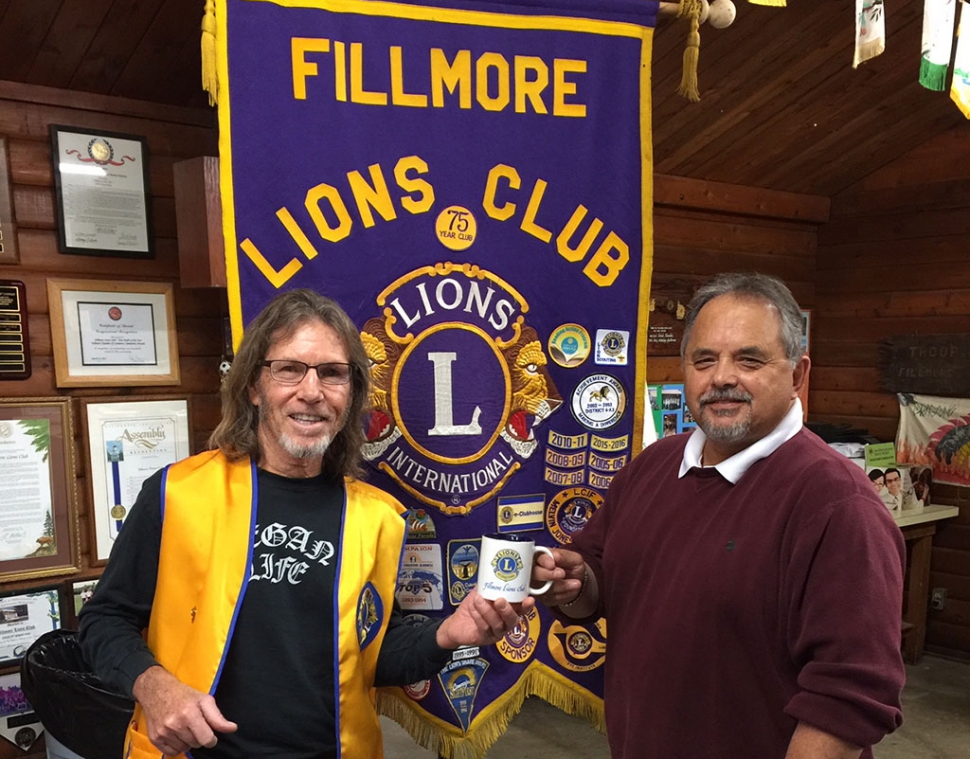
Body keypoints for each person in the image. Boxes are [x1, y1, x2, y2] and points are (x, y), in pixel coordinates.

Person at [79, 289, 527, 759]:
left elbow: (373, 654)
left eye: (332, 373)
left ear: (350, 393)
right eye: (289, 369)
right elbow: (103, 621)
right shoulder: (177, 494)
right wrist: (154, 688)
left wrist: (449, 634)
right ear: (254, 386)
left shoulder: (377, 518)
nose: (311, 392)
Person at [532, 273, 905, 759]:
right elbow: (599, 583)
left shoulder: (836, 503)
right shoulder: (651, 468)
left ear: (797, 375)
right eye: (704, 360)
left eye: (749, 359)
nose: (722, 377)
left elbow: (851, 699)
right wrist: (576, 585)